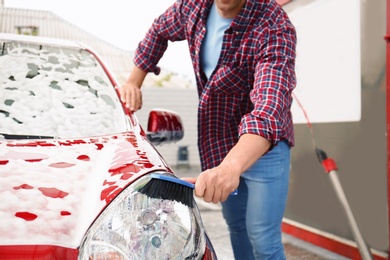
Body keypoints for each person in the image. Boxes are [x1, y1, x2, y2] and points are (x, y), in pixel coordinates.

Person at [120, 0, 296, 259]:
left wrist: (230, 168)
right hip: (220, 142)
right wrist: (134, 82)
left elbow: (269, 108)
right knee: (236, 227)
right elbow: (158, 30)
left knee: (262, 237)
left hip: (263, 148)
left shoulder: (274, 24)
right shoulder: (193, 7)